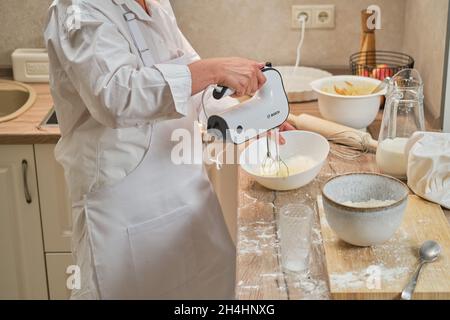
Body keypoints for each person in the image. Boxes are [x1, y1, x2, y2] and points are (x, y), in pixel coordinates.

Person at [44, 0, 294, 299]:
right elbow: (116, 96)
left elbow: (196, 86)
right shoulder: (77, 9)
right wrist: (213, 69)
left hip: (188, 197)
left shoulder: (156, 5)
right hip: (125, 210)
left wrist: (255, 119)